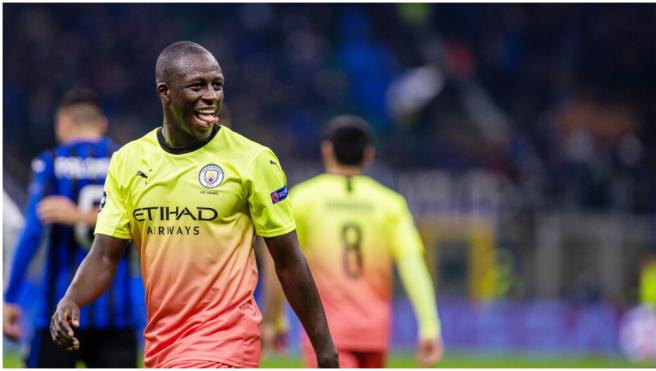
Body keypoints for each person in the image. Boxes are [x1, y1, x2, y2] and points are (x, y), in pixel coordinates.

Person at [49, 41, 338, 368]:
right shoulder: (128, 161)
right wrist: (71, 299)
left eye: (217, 85)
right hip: (162, 346)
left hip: (227, 342)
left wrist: (325, 351)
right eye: (197, 85)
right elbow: (104, 255)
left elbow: (288, 260)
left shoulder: (253, 160)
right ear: (165, 92)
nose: (212, 95)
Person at [262, 115, 444, 368]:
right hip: (375, 333)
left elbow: (281, 262)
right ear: (368, 155)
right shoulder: (390, 203)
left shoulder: (304, 199)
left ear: (327, 150)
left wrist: (275, 317)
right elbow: (413, 265)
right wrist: (429, 326)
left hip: (323, 333)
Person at [3, 89, 138, 367]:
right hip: (117, 315)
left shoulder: (50, 163)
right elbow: (141, 221)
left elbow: (31, 234)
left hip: (58, 311)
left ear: (63, 124)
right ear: (101, 124)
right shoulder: (126, 161)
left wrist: (10, 296)